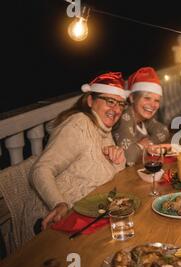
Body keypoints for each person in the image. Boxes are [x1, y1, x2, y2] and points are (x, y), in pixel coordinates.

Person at [30, 72, 128, 230]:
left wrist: (117, 160)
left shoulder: (103, 127)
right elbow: (41, 169)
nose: (116, 109)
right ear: (90, 100)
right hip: (59, 221)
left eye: (121, 104)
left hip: (94, 215)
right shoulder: (78, 126)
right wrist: (59, 204)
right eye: (110, 101)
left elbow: (113, 181)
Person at [113, 67, 170, 166]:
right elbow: (129, 158)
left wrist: (148, 144)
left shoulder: (144, 118)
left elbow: (164, 131)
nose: (153, 105)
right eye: (147, 98)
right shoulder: (125, 116)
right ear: (132, 98)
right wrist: (141, 145)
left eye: (156, 100)